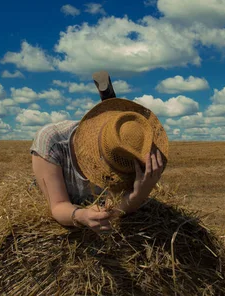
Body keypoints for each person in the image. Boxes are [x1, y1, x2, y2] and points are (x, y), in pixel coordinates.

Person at [30, 98, 169, 233]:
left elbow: (113, 211)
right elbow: (58, 205)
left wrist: (138, 195)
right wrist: (81, 216)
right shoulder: (52, 141)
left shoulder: (133, 155)